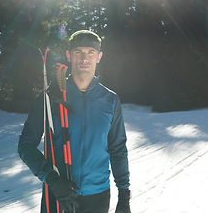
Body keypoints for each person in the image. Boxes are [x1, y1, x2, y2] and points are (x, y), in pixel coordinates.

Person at [18, 30, 131, 213]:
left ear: (99, 57)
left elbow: (118, 149)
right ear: (69, 56)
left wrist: (124, 196)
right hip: (58, 194)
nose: (84, 58)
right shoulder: (49, 97)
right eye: (78, 52)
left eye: (90, 52)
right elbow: (25, 146)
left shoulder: (110, 100)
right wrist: (53, 181)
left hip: (98, 196)